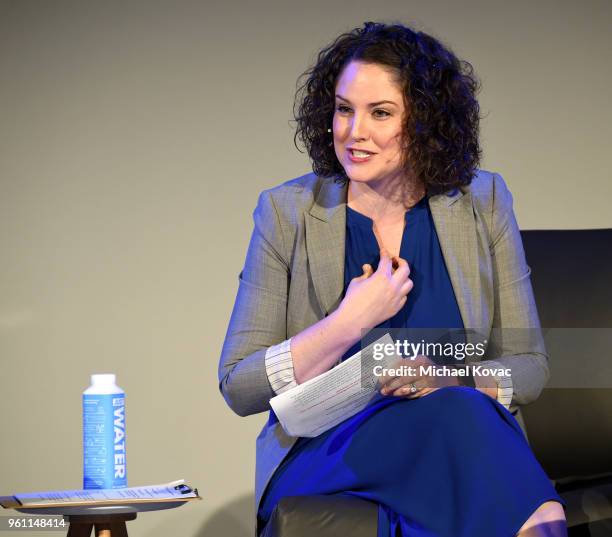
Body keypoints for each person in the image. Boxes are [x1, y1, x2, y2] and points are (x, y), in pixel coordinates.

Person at [218, 21, 568, 537]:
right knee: (483, 452)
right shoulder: (287, 212)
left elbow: (529, 366)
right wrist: (346, 322)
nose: (354, 132)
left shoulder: (483, 203)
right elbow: (238, 385)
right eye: (343, 109)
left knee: (459, 411)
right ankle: (540, 518)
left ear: (426, 123)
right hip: (330, 448)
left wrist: (453, 376)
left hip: (455, 431)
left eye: (380, 113)